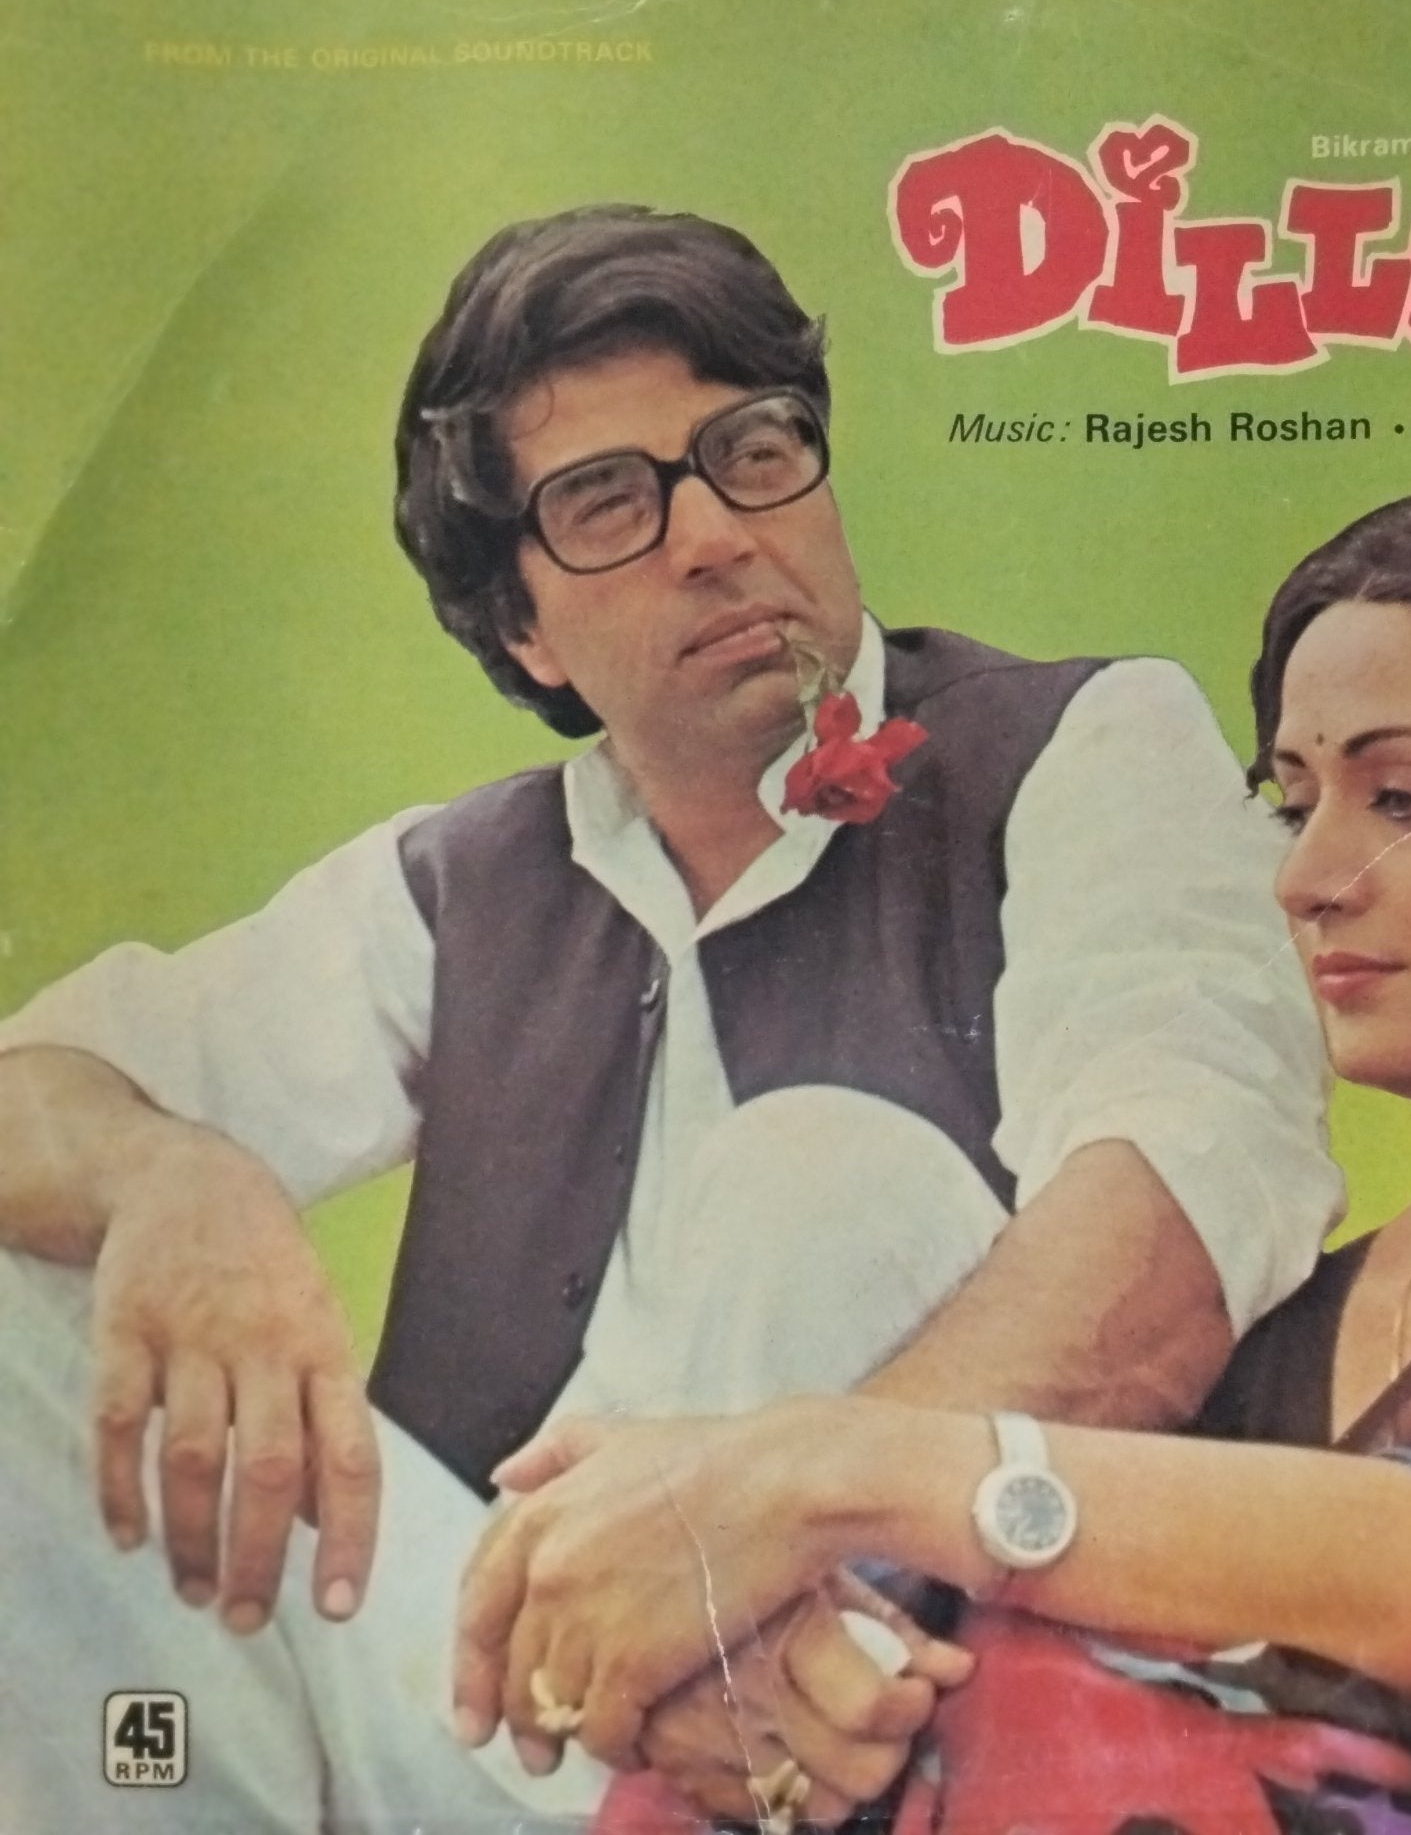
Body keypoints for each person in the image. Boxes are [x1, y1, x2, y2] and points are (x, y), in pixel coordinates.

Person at [0, 205, 1338, 1829]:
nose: (713, 534)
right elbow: (39, 1085)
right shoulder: (459, 883)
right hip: (486, 1693)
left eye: (752, 451)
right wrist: (172, 1176)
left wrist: (763, 1516)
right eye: (607, 503)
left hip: (861, 1718)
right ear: (523, 628)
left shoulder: (1083, 745)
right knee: (27, 1279)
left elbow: (1185, 1193)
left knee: (822, 1171)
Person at [456, 455, 1411, 1832]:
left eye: (1406, 800)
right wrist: (773, 1684)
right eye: (1294, 802)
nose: (1307, 876)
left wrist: (839, 1472)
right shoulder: (1285, 1339)